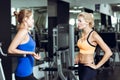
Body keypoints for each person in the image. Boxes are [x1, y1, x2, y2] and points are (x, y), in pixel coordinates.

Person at [74, 12, 113, 80]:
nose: (78, 23)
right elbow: (84, 48)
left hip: (88, 68)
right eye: (78, 21)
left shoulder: (94, 35)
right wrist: (78, 55)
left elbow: (109, 52)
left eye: (80, 21)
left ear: (87, 22)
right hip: (80, 66)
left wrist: (97, 66)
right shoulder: (82, 33)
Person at [8, 9, 40, 80]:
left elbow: (25, 48)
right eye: (32, 18)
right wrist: (30, 53)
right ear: (25, 19)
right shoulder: (23, 32)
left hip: (28, 72)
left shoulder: (26, 32)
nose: (33, 21)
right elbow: (10, 50)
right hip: (24, 74)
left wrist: (33, 54)